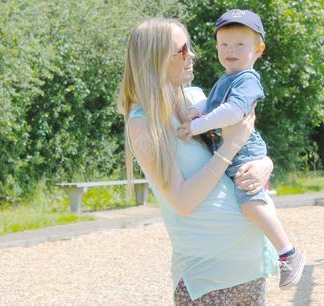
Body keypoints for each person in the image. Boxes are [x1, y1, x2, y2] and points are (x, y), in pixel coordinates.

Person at [117, 17, 281, 305]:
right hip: (206, 278)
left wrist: (266, 163)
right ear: (155, 58)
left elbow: (247, 143)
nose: (191, 55)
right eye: (181, 50)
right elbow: (181, 201)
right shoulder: (142, 124)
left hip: (252, 266)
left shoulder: (197, 99)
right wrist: (229, 147)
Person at [176, 9, 305, 288]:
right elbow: (210, 104)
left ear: (258, 50)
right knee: (246, 203)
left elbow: (233, 112)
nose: (230, 50)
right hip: (234, 150)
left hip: (245, 152)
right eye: (224, 44)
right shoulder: (226, 78)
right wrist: (194, 110)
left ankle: (288, 253)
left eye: (239, 45)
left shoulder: (247, 79)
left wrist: (196, 126)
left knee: (251, 204)